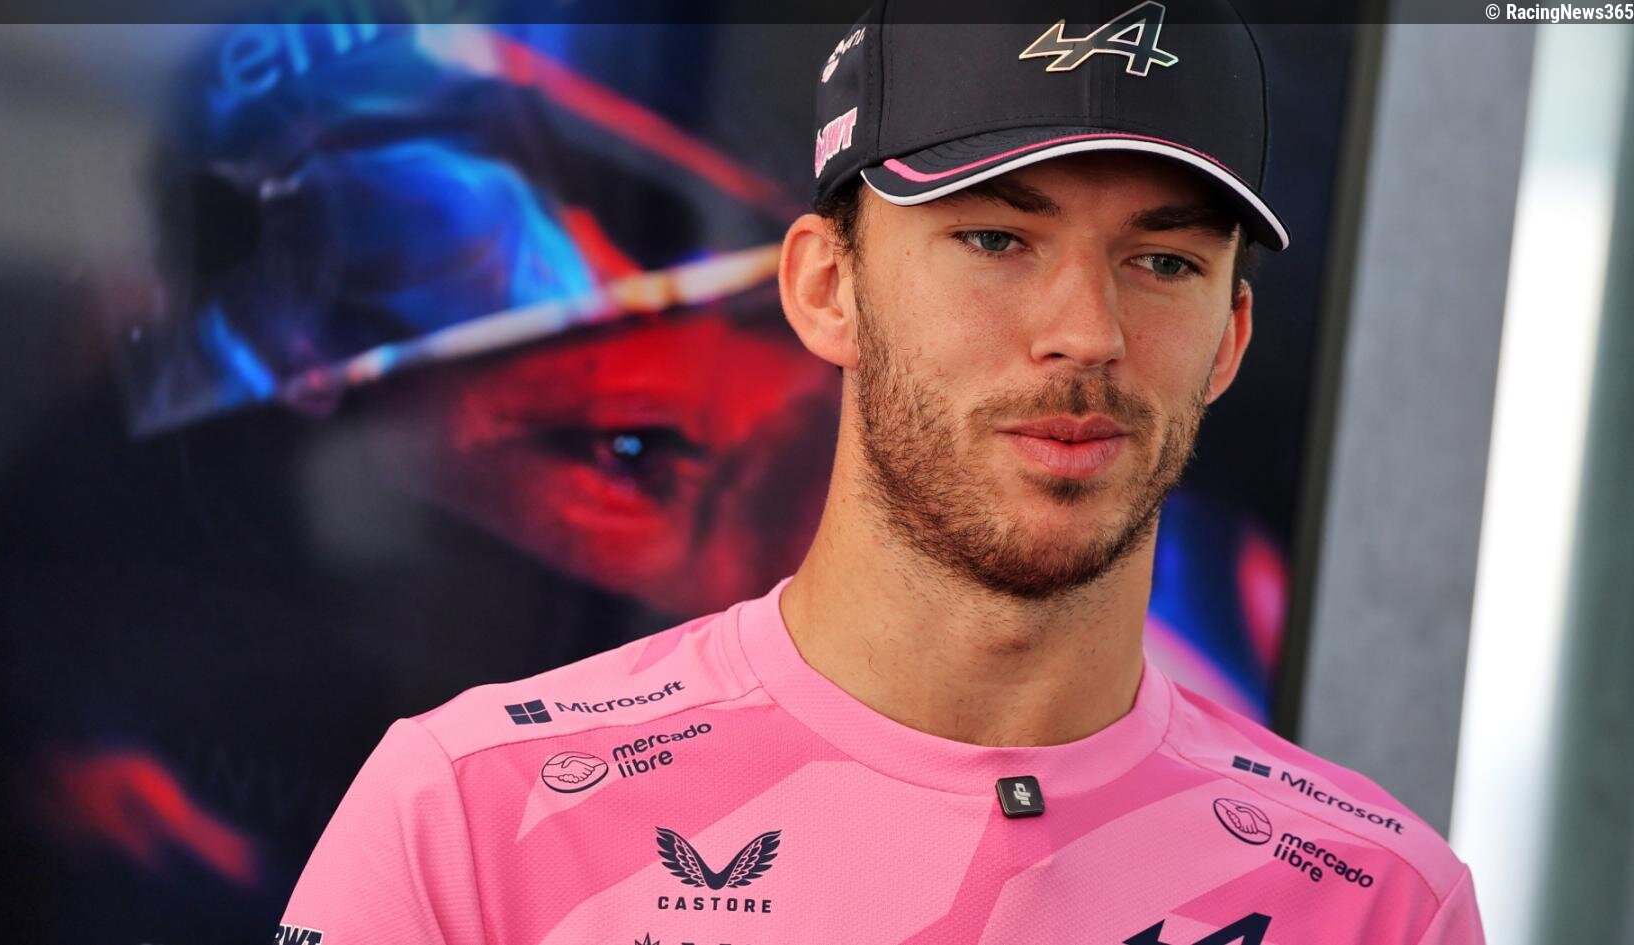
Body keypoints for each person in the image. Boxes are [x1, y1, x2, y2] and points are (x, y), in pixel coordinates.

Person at [277, 2, 1487, 943]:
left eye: (1164, 262)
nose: (1088, 332)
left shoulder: (1383, 900)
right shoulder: (471, 814)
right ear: (825, 288)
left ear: (1229, 338)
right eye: (995, 238)